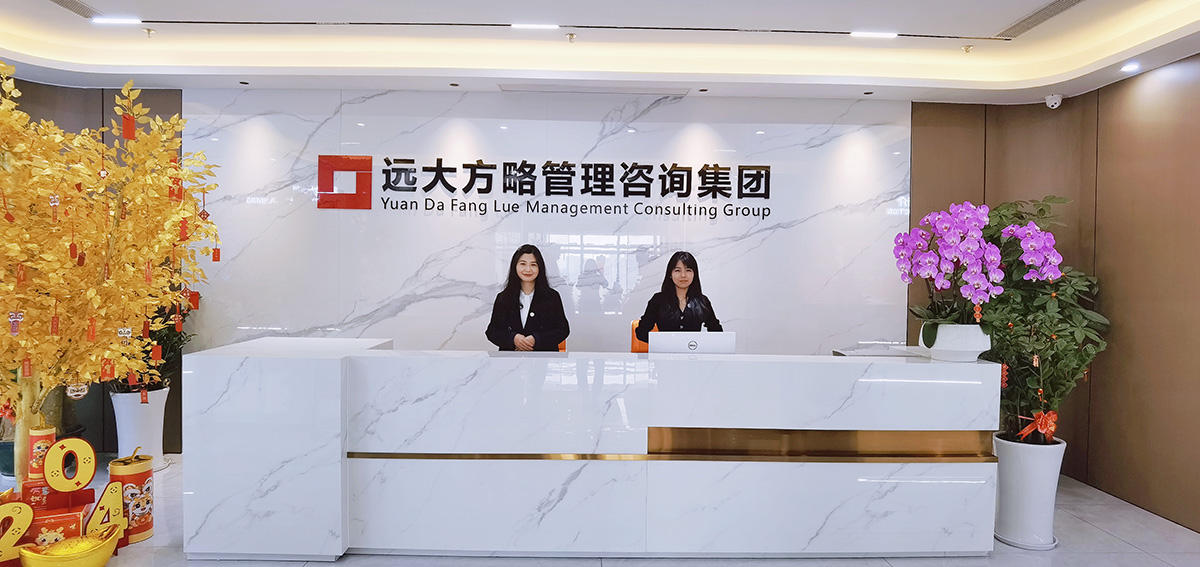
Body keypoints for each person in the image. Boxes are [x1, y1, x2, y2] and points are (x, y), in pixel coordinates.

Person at [486, 244, 570, 351]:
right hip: (510, 359)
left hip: (543, 358)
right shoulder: (503, 298)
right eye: (523, 264)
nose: (528, 269)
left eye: (533, 265)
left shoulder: (552, 297)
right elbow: (492, 331)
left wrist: (536, 339)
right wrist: (513, 339)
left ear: (540, 268)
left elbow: (563, 330)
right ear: (515, 266)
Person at [635, 251, 722, 343]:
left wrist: (700, 343)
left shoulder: (702, 301)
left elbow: (717, 332)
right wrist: (664, 343)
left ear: (694, 274)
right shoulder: (658, 300)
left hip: (692, 351)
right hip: (665, 351)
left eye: (688, 270)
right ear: (670, 274)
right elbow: (641, 332)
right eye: (677, 270)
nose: (683, 275)